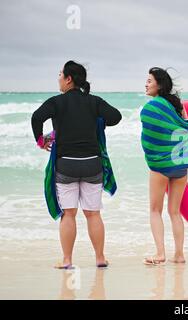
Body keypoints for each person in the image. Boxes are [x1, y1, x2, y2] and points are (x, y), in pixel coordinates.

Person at [31, 60, 122, 269]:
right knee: (93, 213)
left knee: (69, 213)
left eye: (60, 75)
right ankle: (100, 258)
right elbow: (115, 116)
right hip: (92, 164)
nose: (59, 79)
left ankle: (67, 261)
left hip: (67, 165)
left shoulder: (56, 102)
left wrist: (40, 140)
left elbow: (36, 117)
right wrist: (97, 120)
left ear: (69, 79)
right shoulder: (94, 102)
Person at [140, 67, 188, 265]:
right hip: (180, 165)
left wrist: (157, 154)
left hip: (161, 165)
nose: (146, 84)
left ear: (159, 84)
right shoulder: (178, 105)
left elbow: (150, 137)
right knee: (175, 212)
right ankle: (179, 254)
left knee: (155, 210)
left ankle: (160, 253)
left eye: (149, 81)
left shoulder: (151, 107)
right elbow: (186, 129)